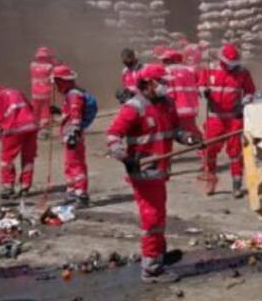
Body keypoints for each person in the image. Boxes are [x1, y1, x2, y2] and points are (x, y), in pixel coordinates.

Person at [105, 64, 196, 283]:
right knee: (152, 218)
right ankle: (151, 268)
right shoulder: (134, 107)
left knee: (159, 214)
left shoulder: (167, 104)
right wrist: (125, 157)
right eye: (161, 82)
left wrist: (189, 138)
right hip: (143, 171)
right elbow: (113, 135)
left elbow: (175, 130)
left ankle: (159, 255)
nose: (165, 86)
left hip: (160, 170)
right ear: (148, 84)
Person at [200, 43, 255, 198]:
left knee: (236, 152)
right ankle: (210, 180)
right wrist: (204, 91)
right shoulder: (209, 69)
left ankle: (236, 185)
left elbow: (251, 91)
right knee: (209, 150)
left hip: (234, 118)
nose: (232, 67)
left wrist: (245, 100)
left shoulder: (243, 73)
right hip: (215, 118)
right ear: (222, 60)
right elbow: (200, 86)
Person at [0, 80, 38, 200]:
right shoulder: (15, 91)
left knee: (7, 160)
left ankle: (8, 188)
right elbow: (30, 107)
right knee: (28, 158)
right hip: (31, 127)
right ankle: (25, 187)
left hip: (13, 130)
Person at [50, 65, 92, 207]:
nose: (55, 86)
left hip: (73, 135)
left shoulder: (74, 94)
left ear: (62, 81)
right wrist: (58, 112)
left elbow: (75, 116)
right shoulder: (70, 94)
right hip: (69, 135)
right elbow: (68, 115)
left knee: (76, 164)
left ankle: (81, 194)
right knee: (70, 164)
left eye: (56, 82)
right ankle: (73, 192)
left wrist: (74, 134)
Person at [163, 49, 201, 142]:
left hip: (176, 107)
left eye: (166, 60)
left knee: (170, 131)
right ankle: (201, 146)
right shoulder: (190, 70)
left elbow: (168, 92)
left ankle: (201, 145)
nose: (163, 62)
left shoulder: (167, 71)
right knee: (191, 129)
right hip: (191, 107)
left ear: (173, 60)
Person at [29, 46, 56, 136]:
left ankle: (34, 128)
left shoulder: (32, 65)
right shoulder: (49, 67)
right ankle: (44, 130)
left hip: (35, 93)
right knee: (45, 112)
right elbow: (53, 79)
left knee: (35, 111)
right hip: (46, 93)